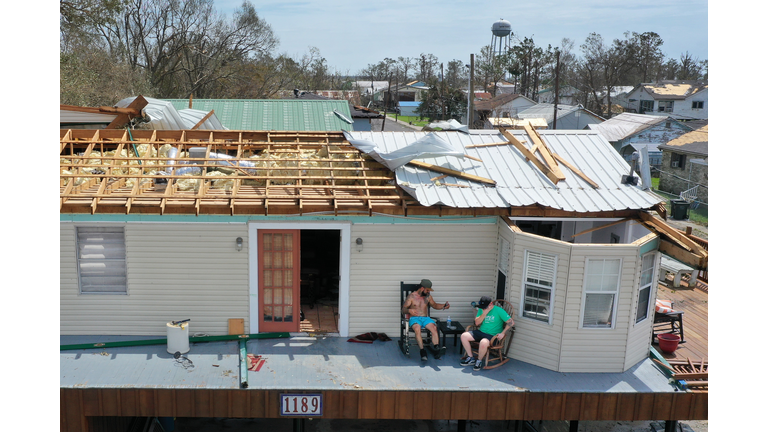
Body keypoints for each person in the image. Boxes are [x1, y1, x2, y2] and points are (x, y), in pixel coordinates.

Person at [459, 296, 514, 371]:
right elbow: (477, 323)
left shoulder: (499, 310)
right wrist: (484, 313)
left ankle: (479, 361)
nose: (483, 308)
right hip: (481, 332)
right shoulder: (482, 310)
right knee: (464, 336)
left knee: (483, 342)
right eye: (482, 307)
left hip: (492, 336)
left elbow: (511, 322)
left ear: (491, 304)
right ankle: (471, 357)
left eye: (485, 307)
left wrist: (503, 333)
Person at [401, 279, 450, 361]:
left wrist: (443, 306)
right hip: (414, 318)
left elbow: (434, 305)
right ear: (422, 288)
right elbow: (403, 309)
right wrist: (409, 310)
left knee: (434, 327)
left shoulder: (428, 297)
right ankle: (422, 351)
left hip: (425, 318)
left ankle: (436, 348)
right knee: (417, 329)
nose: (428, 292)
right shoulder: (411, 297)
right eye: (427, 290)